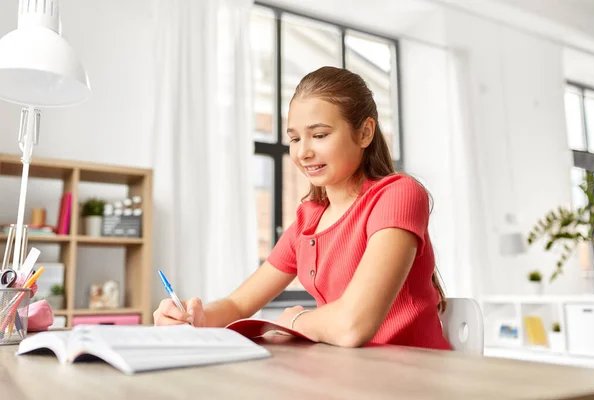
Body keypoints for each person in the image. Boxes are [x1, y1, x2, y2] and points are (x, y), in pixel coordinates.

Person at [154, 66, 451, 350]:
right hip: (350, 376)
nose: (303, 152)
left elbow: (353, 325)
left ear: (364, 133)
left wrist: (294, 319)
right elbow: (238, 305)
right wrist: (193, 318)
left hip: (414, 378)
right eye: (295, 138)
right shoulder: (308, 220)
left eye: (320, 135)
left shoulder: (398, 195)